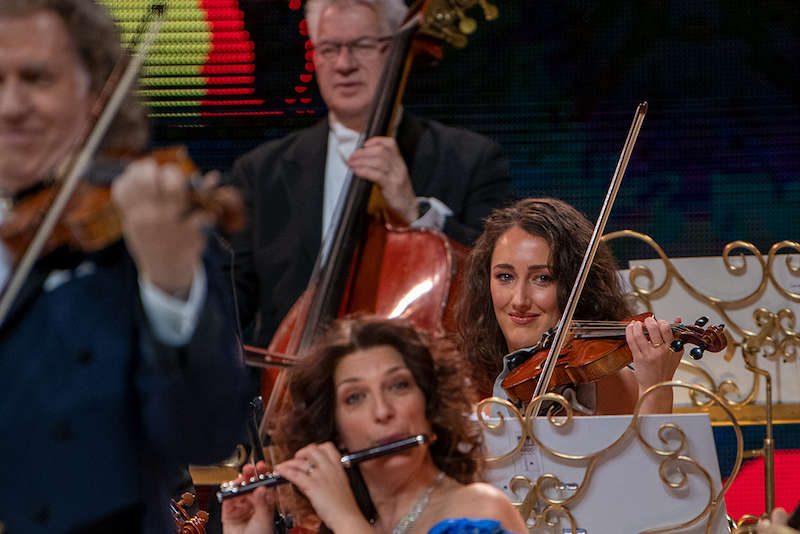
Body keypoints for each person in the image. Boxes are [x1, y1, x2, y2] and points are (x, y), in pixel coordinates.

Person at [0, 1, 249, 532]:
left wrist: (169, 285)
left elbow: (204, 436)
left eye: (36, 78)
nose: (11, 104)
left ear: (94, 97)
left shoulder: (142, 225)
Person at [227, 0, 512, 347]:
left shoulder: (471, 159)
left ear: (396, 49)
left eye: (361, 45)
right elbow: (228, 314)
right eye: (329, 48)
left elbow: (502, 280)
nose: (344, 64)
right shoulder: (259, 174)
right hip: (289, 389)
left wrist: (416, 213)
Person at [221, 317, 527, 534]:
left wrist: (345, 518)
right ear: (335, 430)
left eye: (399, 386)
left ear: (429, 405)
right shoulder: (354, 523)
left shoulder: (479, 510)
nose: (382, 411)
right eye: (355, 398)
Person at [456, 197, 684, 414]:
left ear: (577, 284)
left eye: (543, 278)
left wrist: (656, 389)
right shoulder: (484, 403)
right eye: (505, 276)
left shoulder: (611, 385)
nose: (519, 300)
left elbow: (651, 453)